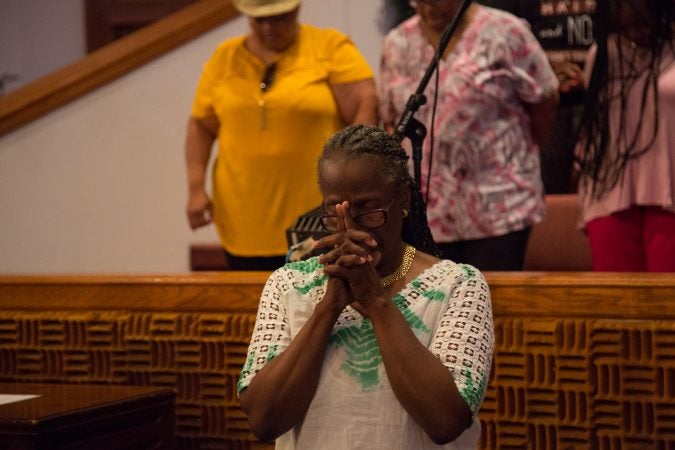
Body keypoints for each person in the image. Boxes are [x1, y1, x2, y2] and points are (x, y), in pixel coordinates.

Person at [237, 125, 494, 449]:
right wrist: (329, 307)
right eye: (335, 212)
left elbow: (445, 421)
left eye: (368, 210)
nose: (352, 227)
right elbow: (263, 420)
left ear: (402, 199)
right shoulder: (288, 284)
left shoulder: (459, 285)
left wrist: (374, 298)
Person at [184, 0, 378, 271]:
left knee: (320, 306)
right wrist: (195, 188)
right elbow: (201, 126)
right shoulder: (224, 57)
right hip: (243, 221)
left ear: (296, 10)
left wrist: (354, 179)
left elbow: (365, 104)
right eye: (258, 20)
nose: (268, 28)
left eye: (279, 18)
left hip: (318, 219)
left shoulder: (330, 46)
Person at [379, 0, 560, 271]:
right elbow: (391, 119)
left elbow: (544, 98)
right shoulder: (397, 42)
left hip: (499, 207)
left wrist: (522, 153)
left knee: (492, 305)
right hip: (428, 213)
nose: (427, 6)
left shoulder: (504, 31)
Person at [575, 0, 675, 271]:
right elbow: (595, 124)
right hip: (611, 189)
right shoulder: (603, 55)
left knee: (666, 301)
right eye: (626, 25)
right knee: (617, 300)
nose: (635, 31)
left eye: (642, 23)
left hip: (669, 190)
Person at [489, 0, 596, 193]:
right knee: (547, 189)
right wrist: (545, 74)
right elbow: (499, 42)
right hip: (541, 107)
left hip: (602, 101)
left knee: (604, 191)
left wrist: (591, 74)